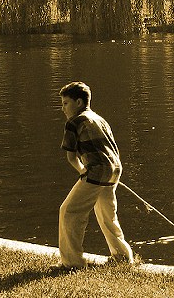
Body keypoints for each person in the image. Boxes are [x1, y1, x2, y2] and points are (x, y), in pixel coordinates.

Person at [57, 81, 133, 269]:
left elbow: (71, 158)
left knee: (69, 212)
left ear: (79, 102)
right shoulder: (99, 119)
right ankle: (123, 257)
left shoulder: (74, 123)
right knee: (107, 214)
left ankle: (72, 262)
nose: (63, 108)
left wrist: (84, 172)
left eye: (66, 103)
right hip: (114, 169)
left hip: (97, 171)